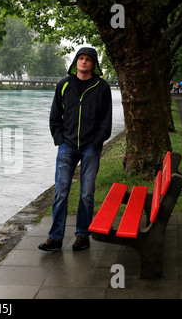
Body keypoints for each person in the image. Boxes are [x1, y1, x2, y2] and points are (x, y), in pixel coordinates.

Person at [38, 47, 112, 252]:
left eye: (88, 59)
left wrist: (97, 142)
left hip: (91, 148)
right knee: (61, 192)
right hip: (67, 146)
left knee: (87, 194)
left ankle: (82, 235)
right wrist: (59, 139)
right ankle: (55, 238)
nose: (84, 62)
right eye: (81, 58)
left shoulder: (102, 87)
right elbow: (55, 114)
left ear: (94, 64)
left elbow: (106, 120)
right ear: (75, 62)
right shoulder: (64, 85)